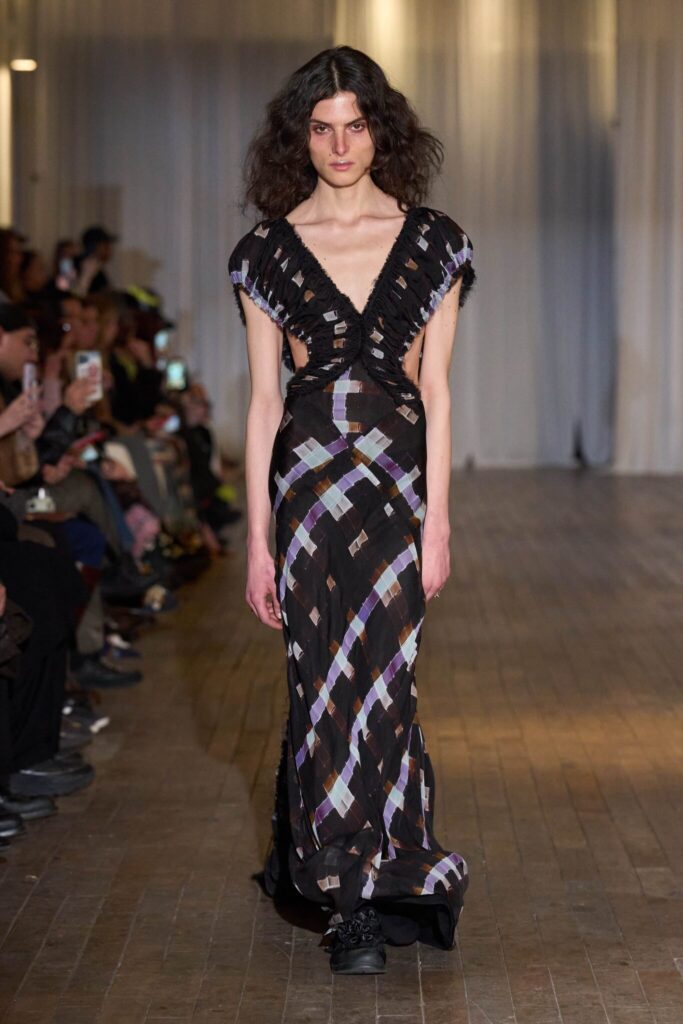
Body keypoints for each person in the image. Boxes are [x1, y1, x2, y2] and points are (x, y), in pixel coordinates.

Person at [228, 45, 476, 976]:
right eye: (321, 128)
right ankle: (348, 900)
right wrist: (256, 542)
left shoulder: (435, 243)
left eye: (356, 125)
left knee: (386, 686)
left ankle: (389, 862)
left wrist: (437, 522)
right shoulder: (265, 253)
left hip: (396, 495)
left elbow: (436, 393)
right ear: (299, 139)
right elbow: (263, 404)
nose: (339, 145)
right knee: (323, 687)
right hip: (306, 497)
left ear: (382, 132)